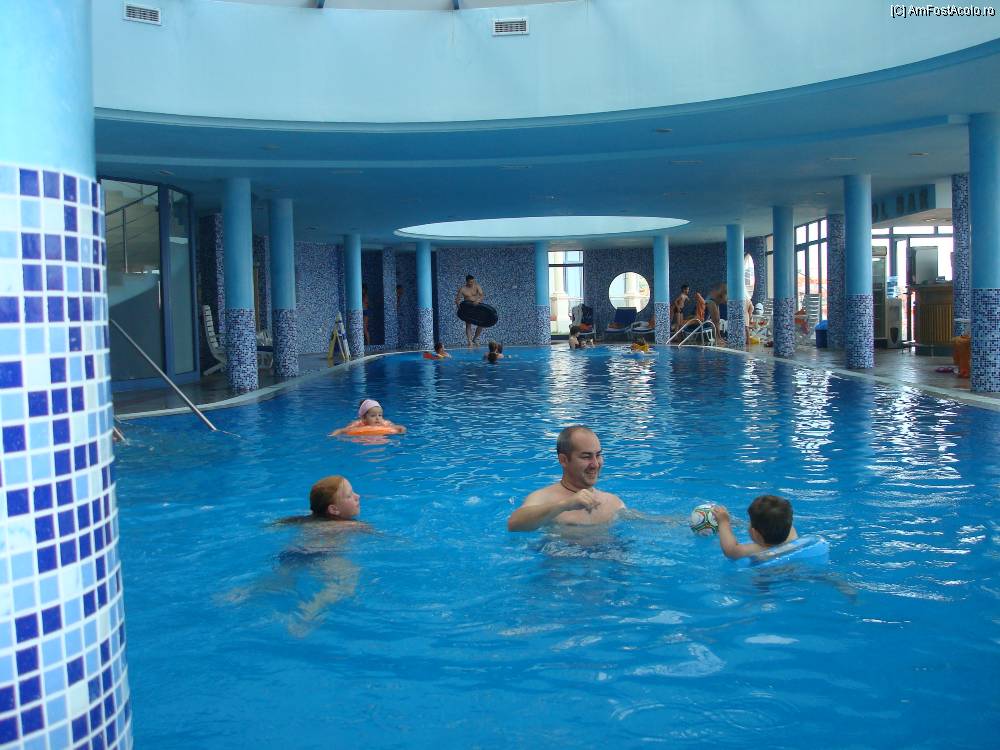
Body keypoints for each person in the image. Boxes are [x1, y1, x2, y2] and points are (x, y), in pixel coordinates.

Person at [507, 426, 625, 532]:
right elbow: (514, 524)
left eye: (598, 455)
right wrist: (564, 505)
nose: (595, 464)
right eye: (586, 457)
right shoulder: (544, 498)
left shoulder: (613, 503)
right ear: (563, 460)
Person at [711, 495, 798, 560]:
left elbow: (730, 550)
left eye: (750, 522)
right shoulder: (791, 534)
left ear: (755, 533)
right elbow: (776, 520)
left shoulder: (754, 551)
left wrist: (724, 522)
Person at [329, 398, 406, 436]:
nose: (377, 418)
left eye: (380, 415)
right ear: (364, 418)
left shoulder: (385, 423)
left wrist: (402, 432)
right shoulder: (357, 424)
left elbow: (400, 427)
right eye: (373, 415)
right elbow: (341, 430)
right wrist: (332, 435)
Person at [455, 274, 486, 346]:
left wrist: (478, 300)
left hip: (477, 307)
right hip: (468, 308)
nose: (472, 283)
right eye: (470, 282)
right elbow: (457, 300)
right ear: (467, 282)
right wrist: (460, 309)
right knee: (468, 324)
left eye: (473, 281)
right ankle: (470, 341)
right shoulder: (462, 289)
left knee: (481, 324)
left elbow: (482, 295)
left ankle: (475, 338)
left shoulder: (477, 286)